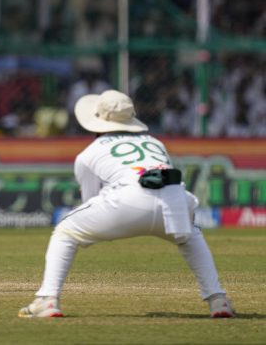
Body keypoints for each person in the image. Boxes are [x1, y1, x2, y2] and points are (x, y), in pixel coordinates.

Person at [18, 90, 235, 318]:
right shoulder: (155, 142)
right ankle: (218, 300)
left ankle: (48, 300)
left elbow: (90, 201)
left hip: (128, 201)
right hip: (175, 199)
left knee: (65, 231)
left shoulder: (88, 153)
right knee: (191, 236)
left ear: (97, 120)